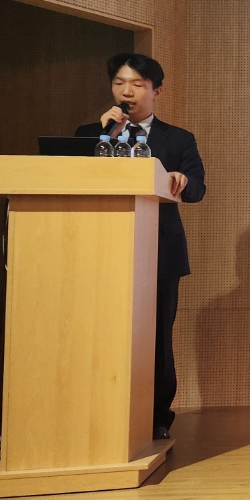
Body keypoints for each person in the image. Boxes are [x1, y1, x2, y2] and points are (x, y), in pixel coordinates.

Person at [76, 53, 205, 441]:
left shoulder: (177, 138)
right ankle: (98, 411)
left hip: (159, 253)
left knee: (157, 336)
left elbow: (198, 189)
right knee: (99, 331)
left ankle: (157, 416)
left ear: (156, 91)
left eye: (136, 84)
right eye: (119, 83)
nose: (126, 91)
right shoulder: (89, 134)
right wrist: (102, 137)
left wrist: (180, 179)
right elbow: (73, 179)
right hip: (101, 251)